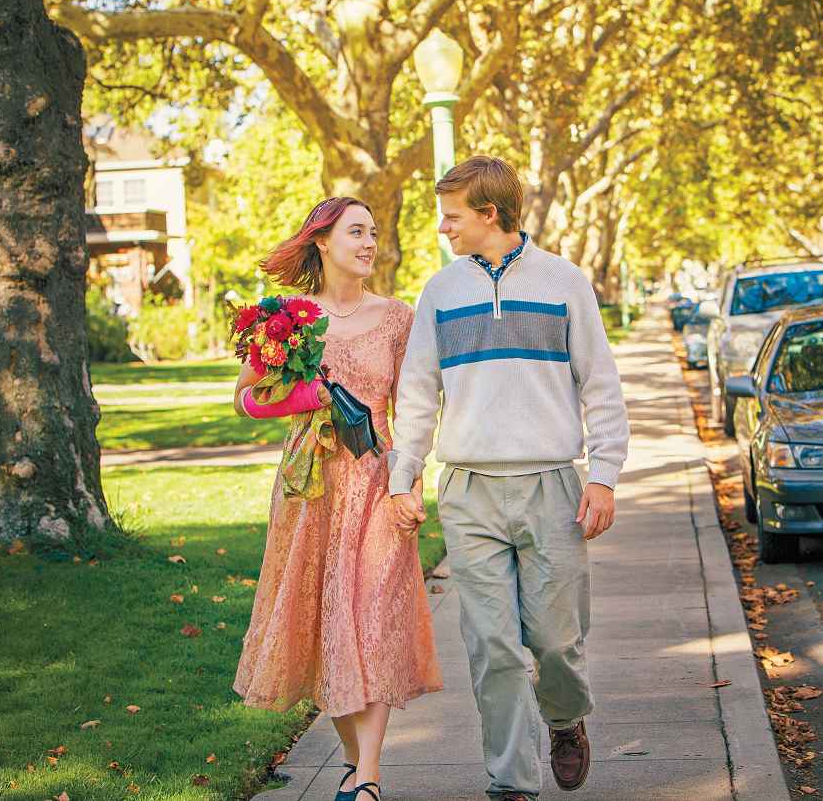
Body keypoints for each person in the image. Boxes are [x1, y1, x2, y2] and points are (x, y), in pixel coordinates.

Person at [389, 157, 630, 800]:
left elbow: (600, 385)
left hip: (553, 485)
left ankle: (565, 718)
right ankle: (510, 782)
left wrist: (602, 476)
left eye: (452, 215)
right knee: (492, 646)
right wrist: (402, 479)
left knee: (555, 641)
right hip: (468, 491)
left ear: (488, 215)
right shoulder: (440, 292)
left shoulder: (564, 282)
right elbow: (416, 394)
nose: (444, 228)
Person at [233, 196, 442, 801]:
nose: (370, 242)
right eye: (357, 232)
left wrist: (410, 483)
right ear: (322, 241)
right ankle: (355, 766)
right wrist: (298, 401)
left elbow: (417, 412)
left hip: (376, 481)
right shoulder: (291, 320)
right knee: (325, 625)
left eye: (373, 232)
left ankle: (369, 777)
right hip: (311, 489)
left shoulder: (399, 318)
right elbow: (244, 398)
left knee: (372, 617)